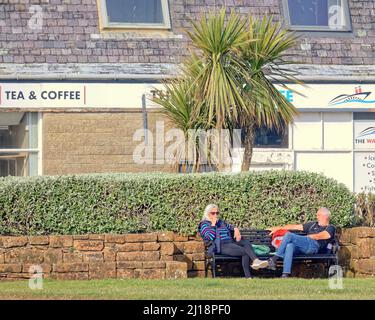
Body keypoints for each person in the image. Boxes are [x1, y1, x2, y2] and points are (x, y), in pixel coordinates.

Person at [198, 204, 268, 278]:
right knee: (244, 252)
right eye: (213, 213)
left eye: (217, 213)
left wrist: (235, 229)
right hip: (220, 245)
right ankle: (248, 276)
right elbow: (210, 237)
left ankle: (256, 261)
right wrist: (213, 225)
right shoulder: (204, 224)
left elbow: (230, 227)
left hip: (230, 242)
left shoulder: (221, 222)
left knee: (246, 242)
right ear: (207, 213)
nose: (215, 215)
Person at [265, 207, 336, 278]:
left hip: (314, 246)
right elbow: (295, 227)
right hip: (304, 247)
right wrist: (278, 228)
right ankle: (285, 274)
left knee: (289, 235)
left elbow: (324, 235)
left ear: (325, 216)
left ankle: (274, 259)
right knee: (290, 245)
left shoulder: (330, 227)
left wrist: (308, 237)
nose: (317, 217)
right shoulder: (313, 225)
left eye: (318, 215)